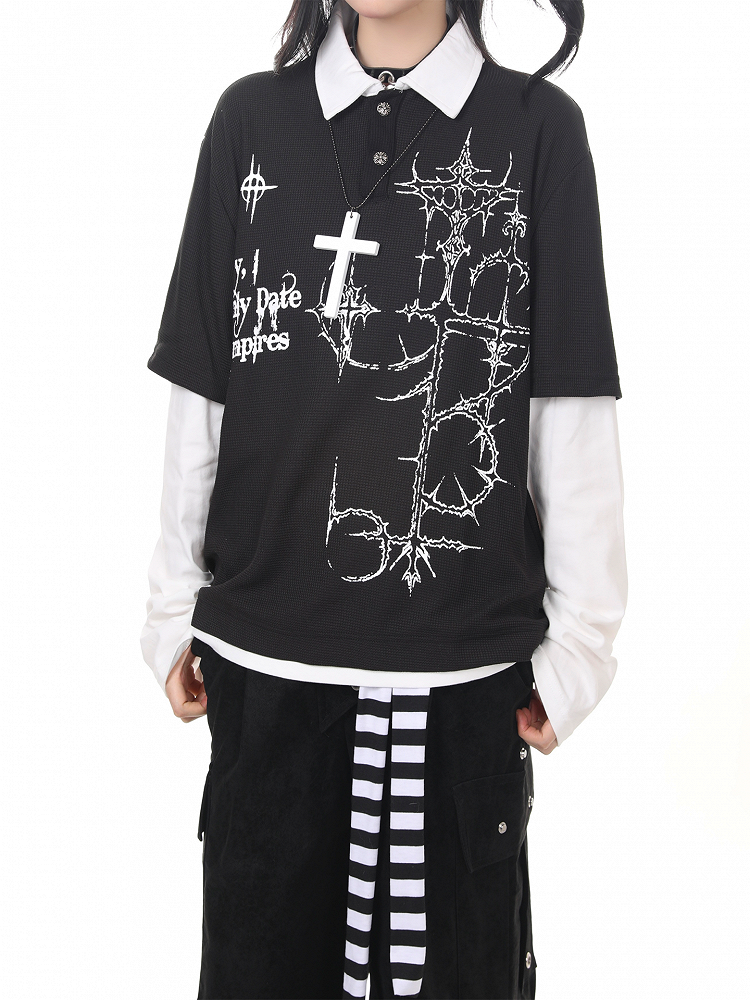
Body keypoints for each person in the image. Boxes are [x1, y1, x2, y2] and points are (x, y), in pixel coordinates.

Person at [140, 1, 627, 997]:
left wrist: (579, 651)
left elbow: (569, 403)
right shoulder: (250, 124)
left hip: (461, 690)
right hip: (265, 678)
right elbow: (203, 391)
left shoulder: (537, 132)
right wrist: (171, 609)